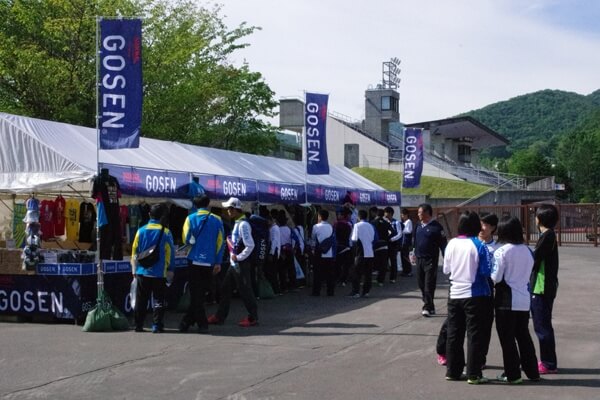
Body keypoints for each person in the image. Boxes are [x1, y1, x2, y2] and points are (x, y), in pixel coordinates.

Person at [436, 212, 499, 367]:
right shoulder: (474, 245)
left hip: (479, 290)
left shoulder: (496, 248)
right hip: (469, 290)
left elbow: (446, 269)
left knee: (478, 329)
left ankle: (471, 363)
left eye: (486, 225)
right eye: (480, 224)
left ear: (493, 228)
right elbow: (485, 271)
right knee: (459, 328)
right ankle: (463, 364)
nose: (482, 228)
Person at [492, 216, 540, 384]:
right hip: (524, 300)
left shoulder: (501, 252)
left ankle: (512, 374)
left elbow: (496, 277)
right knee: (523, 336)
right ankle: (533, 372)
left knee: (507, 339)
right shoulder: (528, 250)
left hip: (505, 300)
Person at [208, 197, 258, 327]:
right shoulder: (237, 222)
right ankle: (220, 316)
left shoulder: (243, 224)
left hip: (241, 263)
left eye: (229, 209)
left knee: (245, 290)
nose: (227, 211)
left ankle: (253, 317)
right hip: (235, 263)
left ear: (235, 209)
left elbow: (250, 245)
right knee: (225, 288)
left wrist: (239, 257)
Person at [179, 195, 224, 333]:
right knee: (201, 294)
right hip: (209, 261)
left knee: (196, 294)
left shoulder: (190, 218)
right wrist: (218, 261)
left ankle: (194, 323)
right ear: (208, 204)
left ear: (195, 205)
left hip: (194, 259)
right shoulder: (217, 219)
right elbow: (220, 242)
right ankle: (191, 322)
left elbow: (186, 239)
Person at [131, 203, 176, 333]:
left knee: (141, 299)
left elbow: (134, 251)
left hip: (142, 271)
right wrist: (171, 269)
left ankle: (138, 325)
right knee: (158, 299)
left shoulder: (140, 231)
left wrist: (134, 269)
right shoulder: (166, 232)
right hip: (159, 271)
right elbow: (170, 253)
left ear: (149, 214)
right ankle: (156, 325)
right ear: (162, 216)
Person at [530, 204, 560, 374]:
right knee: (542, 325)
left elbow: (534, 259)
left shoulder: (547, 236)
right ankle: (548, 361)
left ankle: (548, 363)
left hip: (541, 287)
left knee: (542, 326)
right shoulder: (548, 235)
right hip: (544, 286)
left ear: (540, 219)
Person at [414, 203, 447, 316]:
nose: (418, 214)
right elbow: (415, 241)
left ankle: (427, 307)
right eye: (418, 212)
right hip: (419, 259)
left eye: (420, 212)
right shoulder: (418, 226)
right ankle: (430, 305)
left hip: (431, 260)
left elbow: (443, 244)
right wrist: (413, 252)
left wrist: (447, 258)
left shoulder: (436, 227)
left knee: (429, 284)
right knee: (421, 284)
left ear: (427, 213)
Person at [348, 209, 375, 298]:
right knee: (368, 274)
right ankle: (366, 292)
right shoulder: (370, 226)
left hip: (360, 252)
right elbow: (372, 238)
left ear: (359, 217)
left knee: (356, 273)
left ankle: (355, 292)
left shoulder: (357, 225)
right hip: (370, 252)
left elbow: (354, 239)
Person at [310, 209, 336, 296]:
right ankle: (330, 292)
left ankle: (316, 292)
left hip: (319, 252)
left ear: (320, 217)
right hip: (329, 253)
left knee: (317, 274)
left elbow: (313, 239)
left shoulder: (315, 227)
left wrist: (312, 249)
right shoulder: (331, 227)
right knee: (330, 274)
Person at [372, 208, 392, 286]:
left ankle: (373, 279)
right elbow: (393, 232)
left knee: (375, 262)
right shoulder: (386, 223)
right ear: (383, 214)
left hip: (376, 244)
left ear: (376, 214)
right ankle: (381, 281)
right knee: (383, 263)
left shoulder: (373, 222)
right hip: (384, 244)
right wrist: (387, 238)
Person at [384, 206, 403, 283]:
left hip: (393, 244)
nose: (385, 215)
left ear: (390, 213)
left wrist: (392, 239)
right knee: (385, 261)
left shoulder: (396, 222)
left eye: (386, 213)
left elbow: (400, 234)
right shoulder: (385, 222)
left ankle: (393, 278)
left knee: (393, 261)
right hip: (386, 244)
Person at [335, 207, 353, 286]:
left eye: (339, 215)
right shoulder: (349, 224)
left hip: (338, 246)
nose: (338, 216)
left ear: (342, 215)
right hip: (346, 246)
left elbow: (334, 235)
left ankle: (338, 279)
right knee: (346, 265)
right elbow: (351, 236)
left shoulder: (336, 224)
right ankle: (344, 280)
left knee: (338, 264)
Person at [399, 208, 414, 277]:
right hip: (403, 242)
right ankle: (405, 270)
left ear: (406, 215)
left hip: (406, 242)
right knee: (403, 257)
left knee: (406, 257)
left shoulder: (408, 221)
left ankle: (408, 271)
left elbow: (409, 231)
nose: (402, 216)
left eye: (402, 215)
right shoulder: (404, 222)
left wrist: (401, 230)